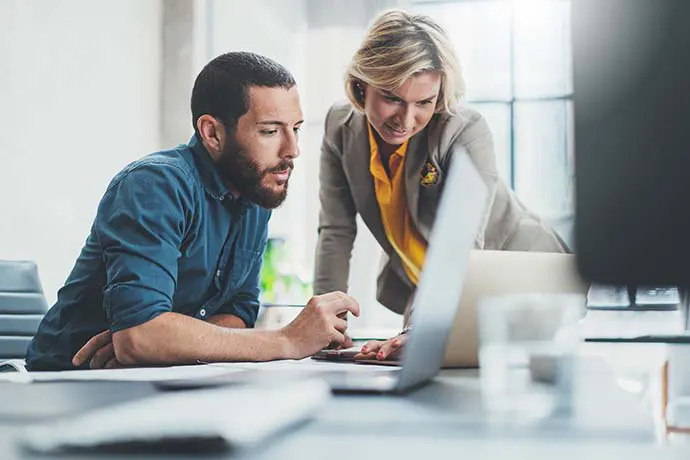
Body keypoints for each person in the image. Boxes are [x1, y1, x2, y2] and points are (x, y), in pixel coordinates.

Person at [26, 51, 359, 371]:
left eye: (296, 129)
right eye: (270, 131)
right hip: (67, 381)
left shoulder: (255, 191)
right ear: (212, 133)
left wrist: (166, 343)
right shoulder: (155, 185)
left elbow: (238, 312)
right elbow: (140, 337)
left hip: (159, 380)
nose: (293, 150)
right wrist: (286, 341)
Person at [313, 10, 566, 362]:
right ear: (361, 84)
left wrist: (419, 329)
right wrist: (326, 327)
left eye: (424, 103)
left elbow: (462, 248)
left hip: (521, 279)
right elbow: (335, 233)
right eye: (392, 98)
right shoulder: (339, 128)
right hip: (431, 289)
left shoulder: (463, 130)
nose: (406, 119)